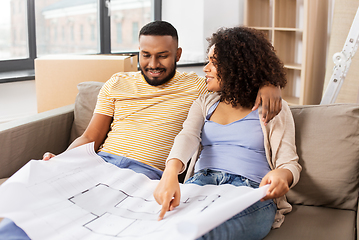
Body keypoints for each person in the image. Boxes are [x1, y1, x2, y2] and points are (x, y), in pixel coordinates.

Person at [0, 21, 282, 239]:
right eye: (146, 55)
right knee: (30, 212)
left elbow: (239, 74)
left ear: (178, 54)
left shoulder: (198, 87)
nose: (153, 64)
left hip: (145, 175)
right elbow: (89, 138)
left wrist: (270, 83)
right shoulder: (116, 83)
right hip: (100, 163)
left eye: (162, 56)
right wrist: (63, 160)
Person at [153, 26, 302, 240]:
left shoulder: (272, 108)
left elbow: (290, 163)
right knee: (162, 228)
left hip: (249, 192)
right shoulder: (204, 103)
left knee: (201, 234)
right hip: (201, 184)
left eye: (214, 63)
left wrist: (282, 175)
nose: (205, 68)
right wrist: (170, 174)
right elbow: (188, 136)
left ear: (236, 67)